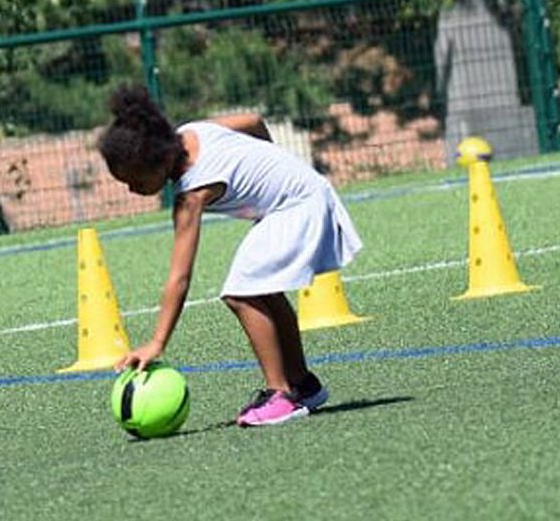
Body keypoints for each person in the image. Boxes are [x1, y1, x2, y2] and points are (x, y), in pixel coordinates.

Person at [99, 85, 362, 427]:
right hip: (306, 191)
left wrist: (157, 343)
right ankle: (302, 384)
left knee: (240, 292)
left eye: (134, 180)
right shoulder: (193, 131)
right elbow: (252, 120)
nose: (132, 190)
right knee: (262, 289)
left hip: (298, 205)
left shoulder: (192, 195)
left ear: (159, 160)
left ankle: (279, 395)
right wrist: (273, 167)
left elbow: (179, 277)